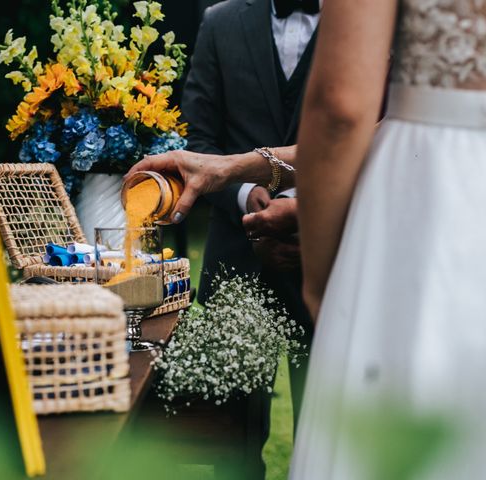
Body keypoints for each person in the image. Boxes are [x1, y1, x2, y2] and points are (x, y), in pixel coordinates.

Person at [130, 0, 486, 477]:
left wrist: (320, 270)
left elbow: (343, 109)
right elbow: (384, 128)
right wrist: (236, 176)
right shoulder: (222, 22)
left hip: (393, 220)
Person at [177, 0, 320, 477]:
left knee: (327, 433)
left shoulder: (363, 17)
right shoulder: (219, 21)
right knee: (233, 442)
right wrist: (244, 192)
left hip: (325, 259)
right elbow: (198, 137)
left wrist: (304, 205)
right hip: (237, 262)